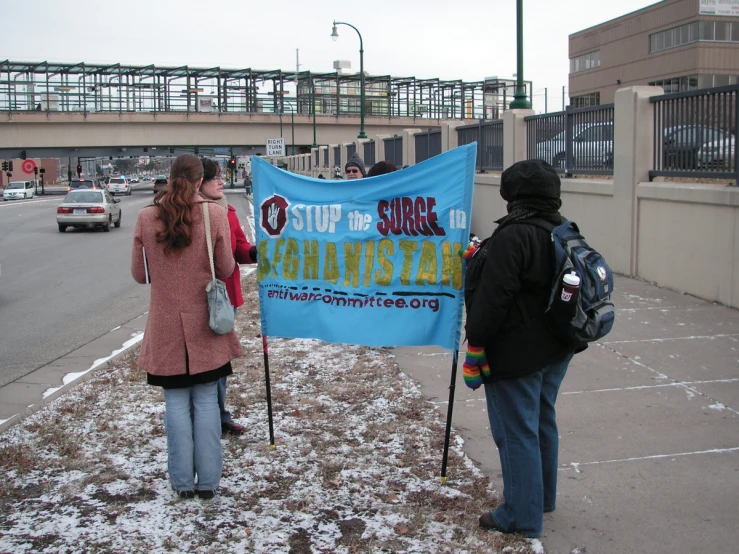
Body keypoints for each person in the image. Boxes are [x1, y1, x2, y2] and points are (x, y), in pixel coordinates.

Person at [463, 159, 576, 538]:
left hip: (517, 351)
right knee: (542, 421)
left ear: (511, 196)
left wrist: (475, 345)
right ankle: (540, 498)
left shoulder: (514, 235)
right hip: (555, 347)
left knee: (515, 432)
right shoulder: (560, 228)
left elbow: (493, 301)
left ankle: (520, 515)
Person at [131, 153, 244, 500]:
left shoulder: (148, 217)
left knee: (176, 404)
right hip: (205, 323)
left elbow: (140, 275)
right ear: (199, 180)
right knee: (208, 401)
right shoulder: (214, 214)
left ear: (171, 176)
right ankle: (209, 482)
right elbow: (225, 267)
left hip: (165, 325)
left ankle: (182, 483)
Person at [199, 158, 257, 436]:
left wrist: (254, 253)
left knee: (220, 360)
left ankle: (220, 416)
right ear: (199, 182)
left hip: (224, 300)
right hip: (196, 298)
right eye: (215, 178)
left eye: (221, 176)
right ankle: (204, 415)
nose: (222, 182)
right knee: (204, 362)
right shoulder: (186, 214)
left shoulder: (229, 212)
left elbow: (240, 248)